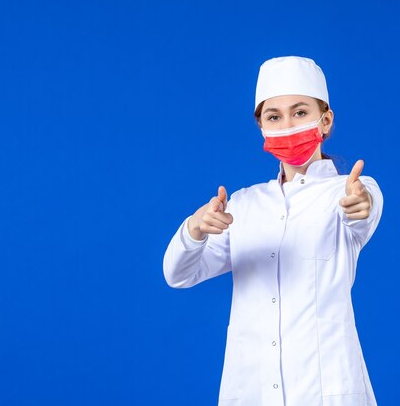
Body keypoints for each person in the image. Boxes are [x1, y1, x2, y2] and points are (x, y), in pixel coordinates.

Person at [163, 56, 383, 406]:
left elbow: (362, 211)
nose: (288, 125)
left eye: (300, 113)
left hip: (325, 391)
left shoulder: (346, 190)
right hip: (251, 391)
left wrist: (360, 203)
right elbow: (178, 274)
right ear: (262, 127)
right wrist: (195, 230)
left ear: (325, 121)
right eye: (274, 117)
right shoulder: (244, 205)